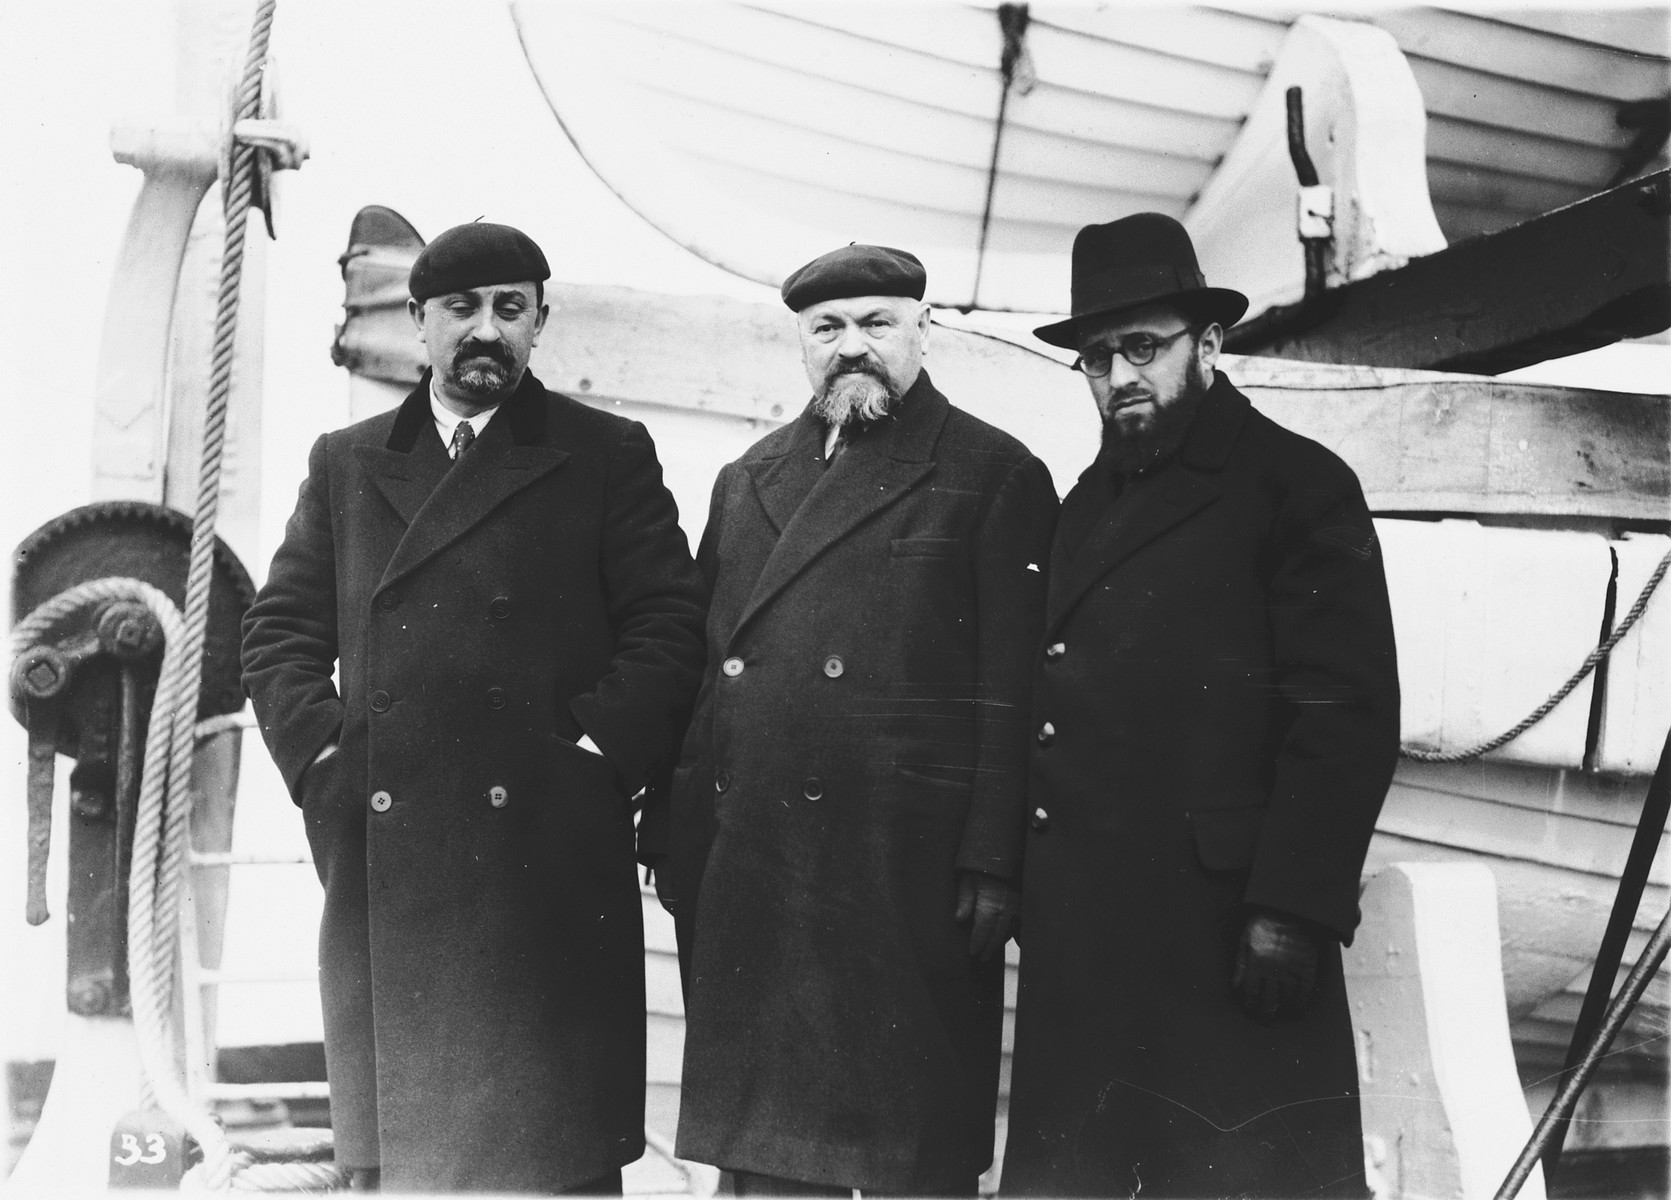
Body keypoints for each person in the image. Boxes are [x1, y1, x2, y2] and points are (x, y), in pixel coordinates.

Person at [241, 222, 707, 1194]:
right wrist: (325, 763)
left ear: (540, 322)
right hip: (388, 858)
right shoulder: (346, 461)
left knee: (550, 1164)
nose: (485, 330)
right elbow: (278, 632)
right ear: (419, 323)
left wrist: (592, 759)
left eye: (509, 308)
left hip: (546, 864)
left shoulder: (606, 453)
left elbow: (668, 627)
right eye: (461, 309)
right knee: (410, 1169)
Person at [1001, 214, 1400, 1199]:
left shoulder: (1294, 485)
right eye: (1097, 358)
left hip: (1226, 938)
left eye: (1143, 347)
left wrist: (1291, 911)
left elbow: (1345, 715)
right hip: (1091, 944)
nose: (1120, 376)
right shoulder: (1086, 503)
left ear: (1208, 345)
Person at [649, 244, 1058, 1196]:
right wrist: (673, 829)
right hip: (755, 861)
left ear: (923, 330)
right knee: (769, 1162)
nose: (851, 348)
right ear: (801, 342)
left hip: (901, 869)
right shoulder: (749, 477)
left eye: (876, 324)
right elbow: (711, 672)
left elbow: (1015, 692)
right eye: (827, 329)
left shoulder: (991, 472)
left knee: (908, 1154)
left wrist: (994, 859)